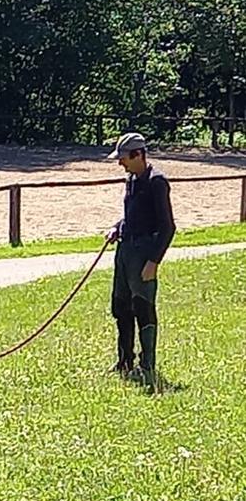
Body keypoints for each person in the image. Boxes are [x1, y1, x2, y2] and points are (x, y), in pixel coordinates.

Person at [104, 132, 176, 385]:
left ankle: (147, 365)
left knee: (143, 308)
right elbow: (133, 215)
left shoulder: (157, 182)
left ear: (138, 155)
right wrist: (117, 227)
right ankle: (125, 361)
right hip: (124, 252)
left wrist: (153, 262)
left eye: (123, 158)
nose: (120, 163)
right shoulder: (131, 180)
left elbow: (167, 227)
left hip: (144, 253)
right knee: (120, 307)